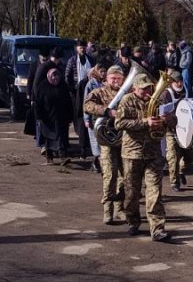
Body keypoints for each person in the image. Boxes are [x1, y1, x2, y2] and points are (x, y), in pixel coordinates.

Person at [115, 71, 172, 240]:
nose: (147, 93)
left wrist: (167, 119)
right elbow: (119, 123)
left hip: (153, 153)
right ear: (134, 89)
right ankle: (133, 221)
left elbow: (174, 122)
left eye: (149, 89)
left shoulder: (159, 100)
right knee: (132, 193)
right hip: (132, 153)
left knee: (154, 192)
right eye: (143, 90)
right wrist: (144, 122)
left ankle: (157, 228)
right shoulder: (127, 100)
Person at [84, 63, 126, 222]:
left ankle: (120, 208)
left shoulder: (127, 93)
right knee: (110, 175)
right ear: (107, 78)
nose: (116, 81)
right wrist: (107, 111)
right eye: (113, 77)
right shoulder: (98, 92)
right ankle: (107, 210)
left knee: (126, 176)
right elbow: (87, 105)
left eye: (119, 78)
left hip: (124, 140)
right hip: (107, 140)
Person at [34, 66, 73, 165]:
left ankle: (63, 157)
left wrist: (70, 116)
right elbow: (37, 103)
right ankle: (49, 157)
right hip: (47, 118)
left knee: (61, 138)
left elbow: (68, 101)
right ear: (49, 76)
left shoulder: (63, 85)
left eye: (57, 76)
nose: (55, 79)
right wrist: (39, 116)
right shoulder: (42, 87)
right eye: (53, 76)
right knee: (48, 138)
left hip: (61, 117)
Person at [164, 67, 193, 191]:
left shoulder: (186, 91)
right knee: (173, 156)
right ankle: (174, 182)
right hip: (171, 129)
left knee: (190, 155)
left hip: (184, 128)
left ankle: (181, 171)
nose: (179, 83)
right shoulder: (166, 93)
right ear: (172, 82)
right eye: (176, 81)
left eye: (180, 81)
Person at [64, 39, 93, 159]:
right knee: (79, 117)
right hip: (77, 92)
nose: (82, 49)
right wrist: (71, 90)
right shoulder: (72, 60)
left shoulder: (90, 59)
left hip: (90, 91)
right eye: (80, 47)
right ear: (76, 48)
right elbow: (67, 76)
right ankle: (81, 142)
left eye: (84, 47)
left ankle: (88, 144)